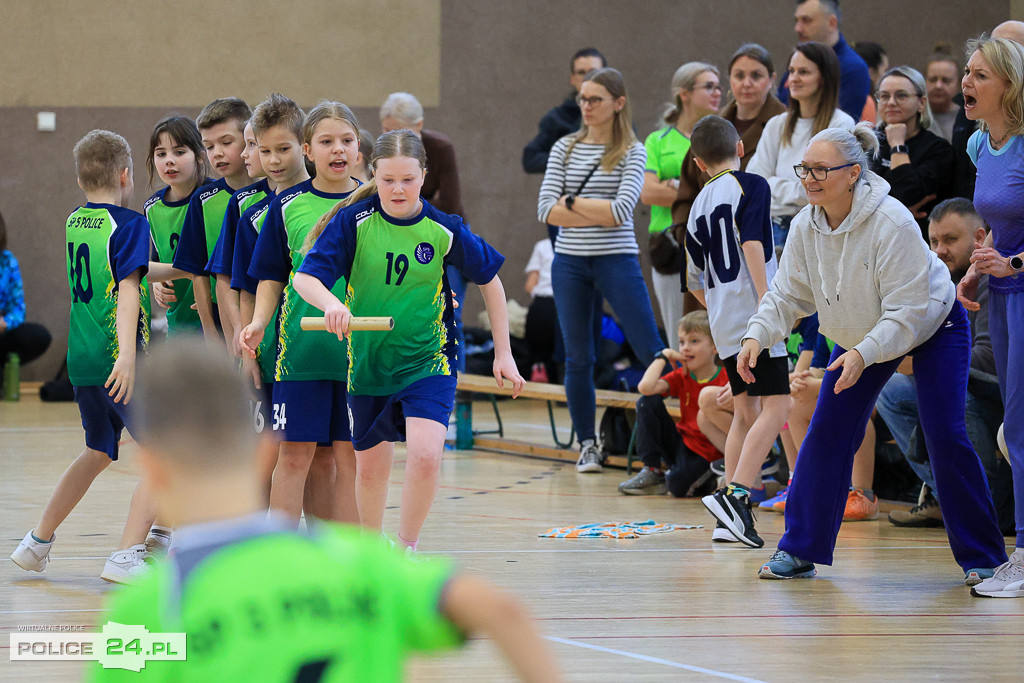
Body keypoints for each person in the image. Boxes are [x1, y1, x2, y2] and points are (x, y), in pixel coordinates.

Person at [88, 339, 560, 683]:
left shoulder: (147, 610)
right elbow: (500, 609)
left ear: (151, 470)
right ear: (262, 452)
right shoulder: (360, 560)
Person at [738, 123, 1006, 585]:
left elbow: (907, 312)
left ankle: (984, 556)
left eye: (822, 169)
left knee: (944, 432)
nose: (810, 178)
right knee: (827, 431)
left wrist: (865, 353)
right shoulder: (805, 223)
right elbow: (786, 294)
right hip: (861, 335)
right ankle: (799, 549)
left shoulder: (893, 221)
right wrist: (756, 336)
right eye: (805, 168)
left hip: (932, 325)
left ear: (853, 174)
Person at [293, 129, 524, 552]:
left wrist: (503, 354)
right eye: (387, 180)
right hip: (369, 363)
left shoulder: (443, 228)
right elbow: (306, 277)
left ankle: (406, 549)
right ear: (372, 175)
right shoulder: (353, 223)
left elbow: (490, 281)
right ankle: (372, 553)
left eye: (408, 179)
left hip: (428, 359)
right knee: (372, 468)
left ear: (424, 175)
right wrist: (331, 305)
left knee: (424, 455)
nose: (397, 189)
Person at [10, 130, 159, 584]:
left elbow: (124, 271)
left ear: (80, 179)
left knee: (97, 450)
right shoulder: (132, 224)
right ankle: (125, 554)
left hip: (82, 360)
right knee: (167, 456)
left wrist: (188, 269)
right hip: (118, 360)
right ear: (125, 174)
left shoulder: (77, 220)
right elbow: (130, 288)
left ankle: (37, 541)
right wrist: (130, 357)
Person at [537, 67, 662, 473]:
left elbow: (621, 212)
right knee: (578, 357)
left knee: (650, 349)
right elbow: (545, 210)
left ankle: (665, 445)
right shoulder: (564, 148)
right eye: (583, 99)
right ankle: (588, 444)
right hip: (570, 263)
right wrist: (589, 208)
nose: (586, 107)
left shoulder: (632, 150)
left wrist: (570, 202)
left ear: (618, 103)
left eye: (595, 100)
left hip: (617, 259)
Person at [241, 101, 361, 527]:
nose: (337, 149)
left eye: (346, 140)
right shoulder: (287, 205)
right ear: (308, 150)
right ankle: (282, 557)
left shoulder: (373, 202)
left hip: (355, 358)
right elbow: (270, 276)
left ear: (358, 147)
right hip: (299, 355)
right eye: (326, 141)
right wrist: (257, 322)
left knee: (339, 459)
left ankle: (339, 557)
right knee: (294, 454)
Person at [683, 115, 791, 548]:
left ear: (697, 162)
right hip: (755, 314)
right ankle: (737, 496)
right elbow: (753, 245)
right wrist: (769, 304)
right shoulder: (752, 185)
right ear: (741, 148)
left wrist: (722, 310)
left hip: (724, 321)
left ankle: (726, 519)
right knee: (778, 407)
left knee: (745, 414)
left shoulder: (695, 208)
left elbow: (693, 281)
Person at [878, 199, 1008, 532]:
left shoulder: (992, 281)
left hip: (1001, 394)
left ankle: (985, 502)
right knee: (890, 391)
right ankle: (944, 494)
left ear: (980, 238)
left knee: (950, 394)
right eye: (934, 241)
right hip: (973, 386)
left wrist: (924, 362)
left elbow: (990, 361)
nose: (939, 251)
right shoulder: (941, 284)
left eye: (950, 240)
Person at [957, 36, 1024, 598]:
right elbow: (997, 231)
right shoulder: (980, 145)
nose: (966, 83)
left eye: (979, 74)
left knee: (1020, 430)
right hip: (1001, 299)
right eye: (966, 72)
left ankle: (1022, 556)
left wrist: (1012, 262)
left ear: (1009, 84)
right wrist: (978, 269)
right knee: (1016, 424)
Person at [672, 44, 786, 316]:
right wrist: (688, 234)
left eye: (756, 76)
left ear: (771, 79)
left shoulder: (784, 123)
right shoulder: (712, 125)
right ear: (729, 80)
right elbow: (687, 190)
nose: (746, 83)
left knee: (765, 340)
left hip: (764, 247)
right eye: (739, 75)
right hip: (712, 254)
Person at [379, 92, 469, 371]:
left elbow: (451, 205)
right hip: (403, 239)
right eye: (385, 131)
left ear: (418, 125)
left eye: (398, 131)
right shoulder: (384, 151)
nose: (391, 138)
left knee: (450, 316)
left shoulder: (440, 148)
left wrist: (404, 206)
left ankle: (456, 392)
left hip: (445, 239)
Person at [641, 62, 721, 349]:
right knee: (682, 333)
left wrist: (675, 185)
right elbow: (648, 192)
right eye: (709, 86)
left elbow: (724, 191)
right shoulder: (658, 140)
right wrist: (698, 190)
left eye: (718, 86)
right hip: (671, 246)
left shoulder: (720, 138)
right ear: (684, 94)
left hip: (714, 242)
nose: (718, 92)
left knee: (718, 331)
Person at [748, 42, 855, 249]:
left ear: (823, 78)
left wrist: (775, 184)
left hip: (818, 232)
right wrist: (800, 189)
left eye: (803, 72)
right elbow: (755, 184)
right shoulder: (776, 125)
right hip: (770, 230)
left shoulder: (841, 124)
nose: (793, 79)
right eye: (791, 71)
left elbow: (830, 188)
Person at [617, 310, 728, 497]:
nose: (685, 348)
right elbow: (645, 388)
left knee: (678, 488)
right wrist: (663, 356)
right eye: (682, 342)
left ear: (715, 347)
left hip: (710, 452)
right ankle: (652, 470)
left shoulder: (725, 379)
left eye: (694, 341)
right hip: (682, 443)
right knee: (647, 401)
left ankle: (713, 475)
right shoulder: (681, 376)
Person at [173, 98, 252, 341]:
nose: (217, 153)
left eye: (226, 143)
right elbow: (198, 273)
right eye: (208, 146)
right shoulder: (203, 199)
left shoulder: (273, 194)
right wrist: (209, 331)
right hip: (220, 317)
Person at [206, 117, 274, 356]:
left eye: (252, 145)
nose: (245, 153)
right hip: (259, 340)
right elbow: (224, 276)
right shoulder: (244, 204)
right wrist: (238, 328)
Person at [143, 115, 209, 336]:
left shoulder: (217, 198)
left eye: (179, 152)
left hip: (216, 322)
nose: (169, 160)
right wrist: (157, 284)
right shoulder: (152, 208)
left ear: (200, 156)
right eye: (161, 154)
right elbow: (156, 261)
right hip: (178, 324)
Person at [871, 65, 954, 237]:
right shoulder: (867, 143)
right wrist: (895, 211)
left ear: (921, 103)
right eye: (884, 96)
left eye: (901, 95)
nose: (891, 102)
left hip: (916, 238)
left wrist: (897, 145)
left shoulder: (938, 149)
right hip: (872, 236)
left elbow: (908, 196)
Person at [778, 0, 871, 121]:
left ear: (832, 23)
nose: (797, 28)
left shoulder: (853, 68)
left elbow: (844, 130)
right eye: (797, 21)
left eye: (806, 20)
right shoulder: (798, 62)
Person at [522, 47, 606, 174]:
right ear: (572, 79)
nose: (588, 78)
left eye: (594, 72)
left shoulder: (617, 115)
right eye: (581, 73)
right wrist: (568, 161)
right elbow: (530, 159)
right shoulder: (557, 118)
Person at [0, 209, 52, 387]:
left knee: (38, 335)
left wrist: (5, 323)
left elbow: (17, 310)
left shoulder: (7, 261)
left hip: (1, 331)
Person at [524, 237, 556, 382]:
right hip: (566, 306)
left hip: (541, 306)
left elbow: (530, 285)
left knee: (536, 353)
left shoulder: (543, 245)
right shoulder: (581, 242)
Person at [925, 43, 962, 144]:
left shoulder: (968, 119)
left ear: (958, 83)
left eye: (946, 80)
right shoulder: (914, 117)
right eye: (933, 79)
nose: (938, 86)